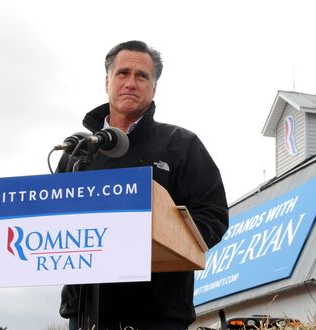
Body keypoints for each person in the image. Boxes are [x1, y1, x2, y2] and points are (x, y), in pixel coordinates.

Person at [58, 40, 228, 330]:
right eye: (123, 73)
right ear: (107, 81)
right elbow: (52, 223)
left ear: (154, 87)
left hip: (158, 316)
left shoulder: (182, 145)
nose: (131, 83)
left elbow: (212, 216)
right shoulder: (76, 153)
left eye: (142, 76)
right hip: (85, 313)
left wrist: (155, 237)